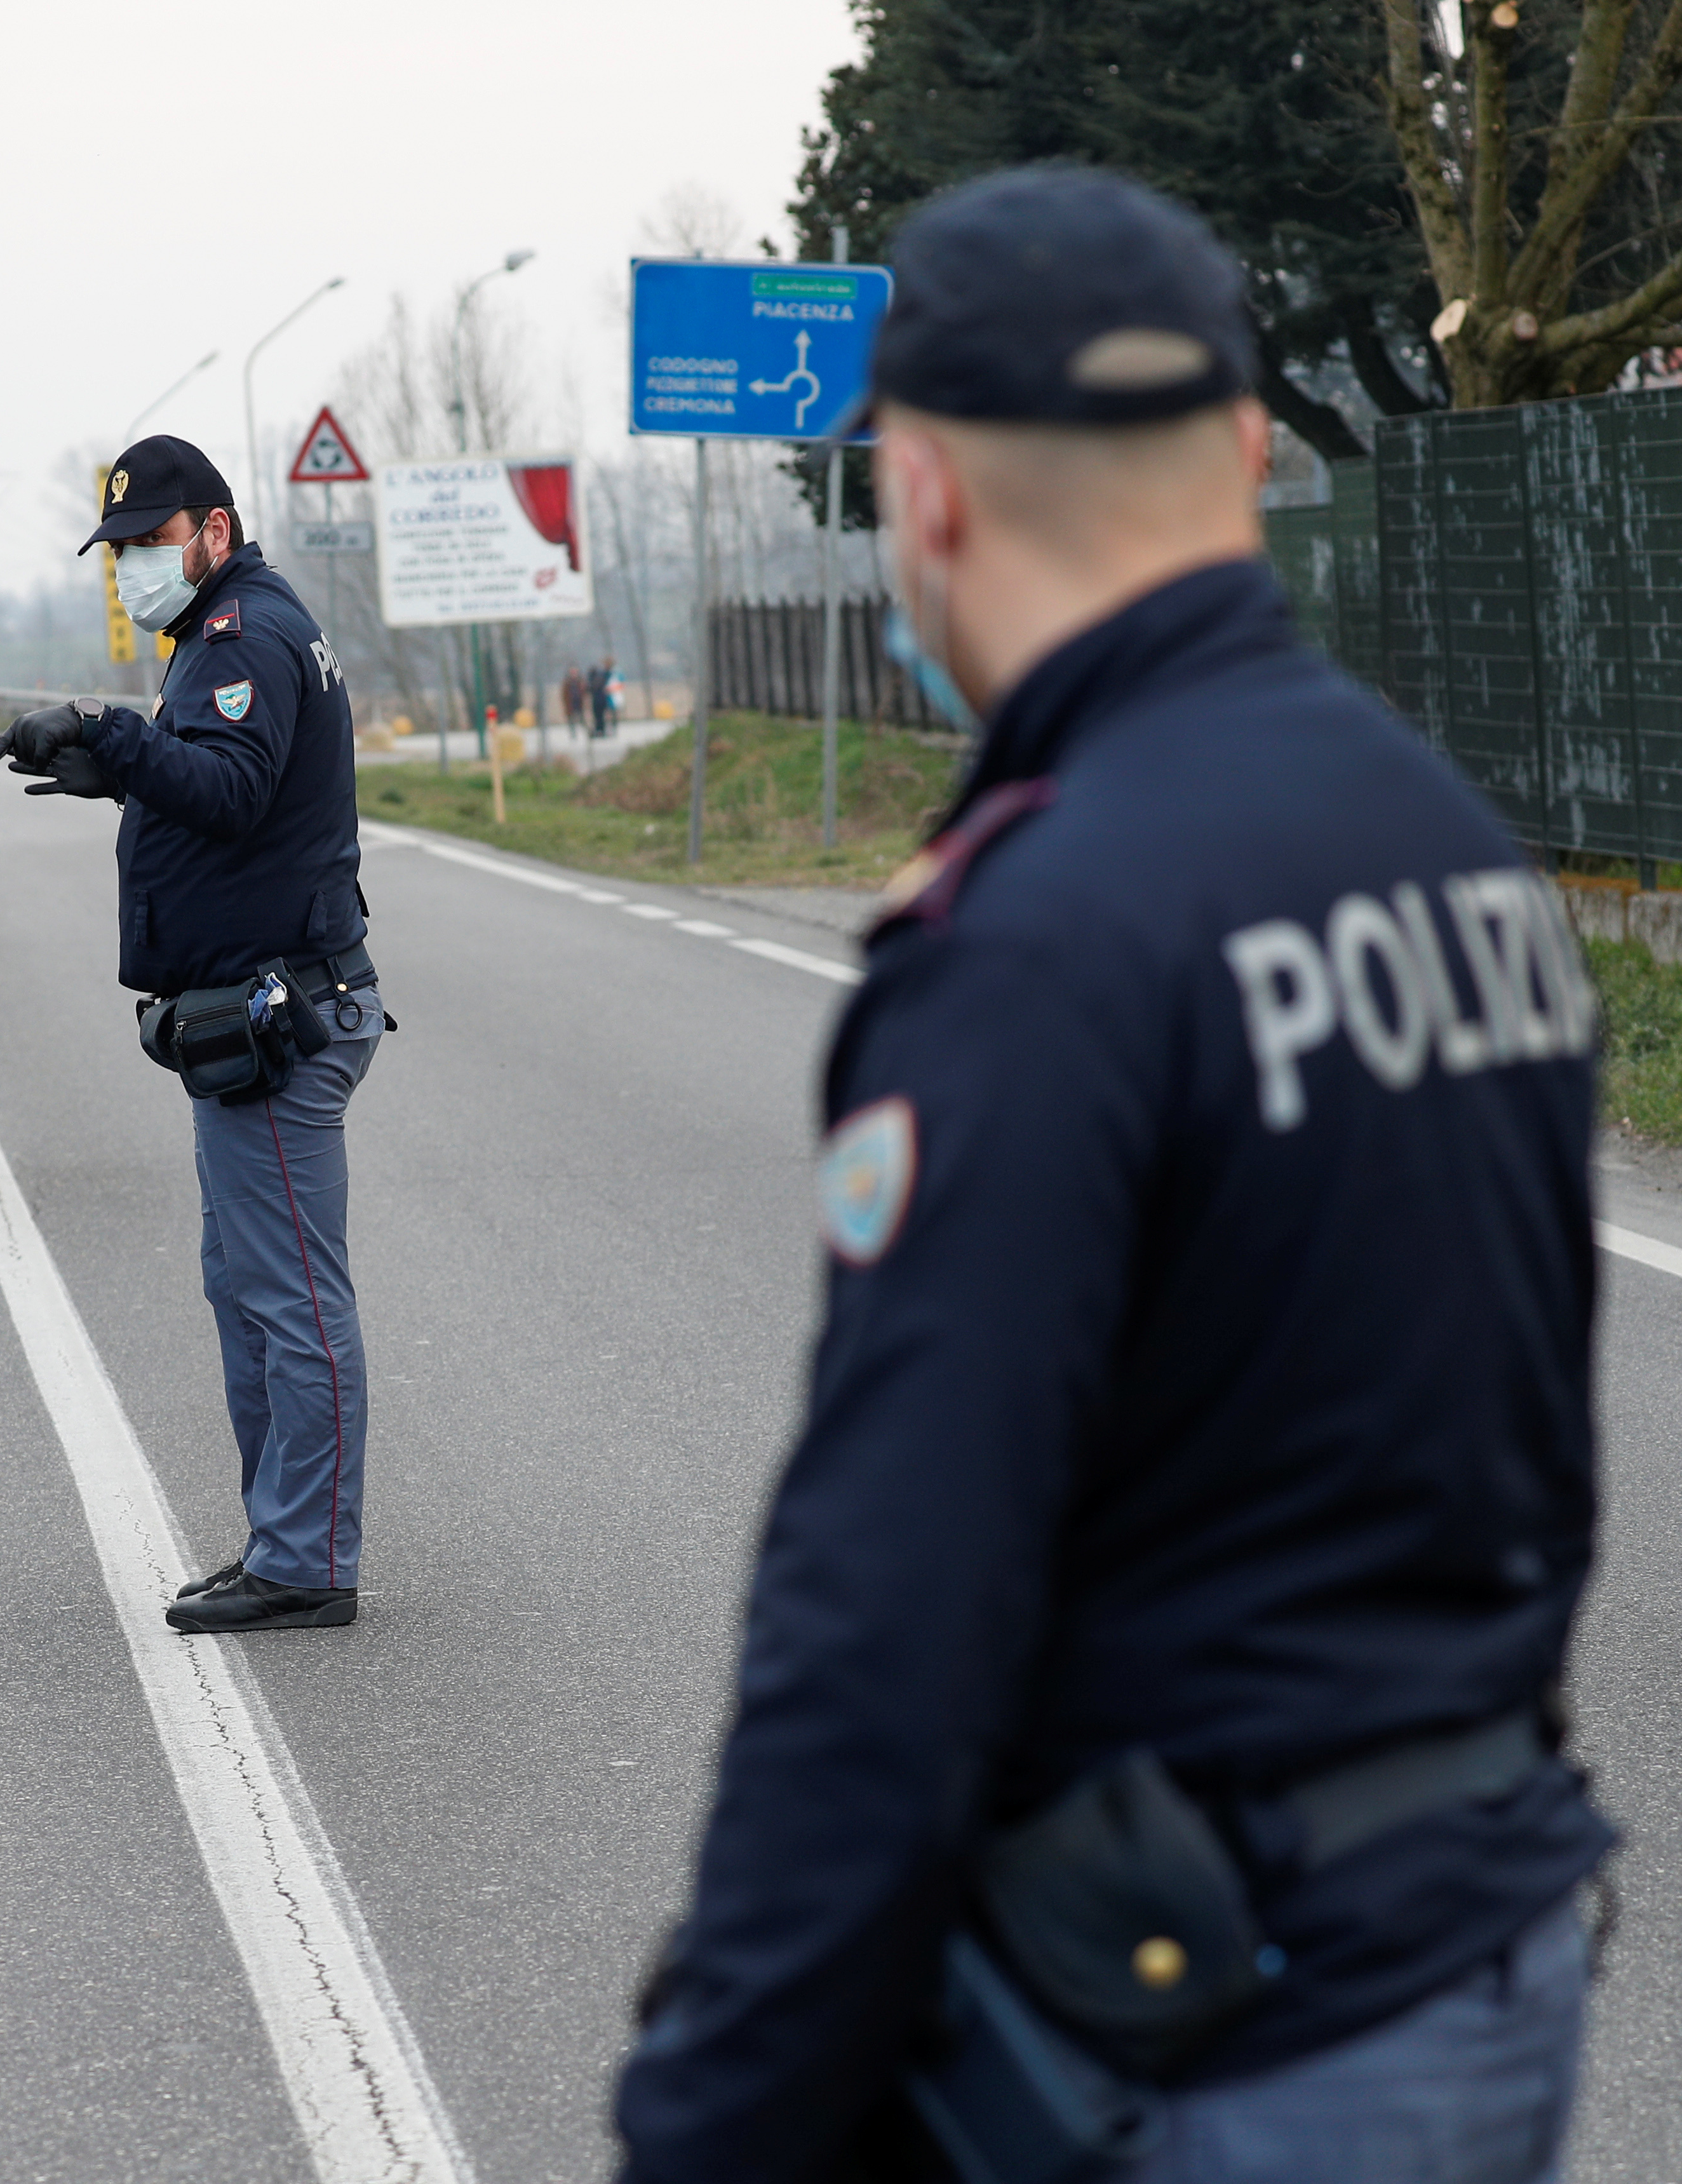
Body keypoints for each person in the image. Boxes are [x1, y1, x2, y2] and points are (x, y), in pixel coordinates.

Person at [614, 168, 1610, 2182]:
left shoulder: (1037, 936)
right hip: (1482, 1948)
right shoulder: (1445, 845)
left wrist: (708, 2117)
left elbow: (885, 1622)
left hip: (1227, 2033)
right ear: (1246, 451)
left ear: (931, 495)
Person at [0, 434, 382, 1635]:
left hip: (281, 1016)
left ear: (215, 528)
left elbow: (229, 789)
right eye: (118, 550)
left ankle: (307, 1558)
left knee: (294, 1299)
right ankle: (281, 1538)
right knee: (251, 1287)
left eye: (150, 542)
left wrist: (112, 738)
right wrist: (117, 768)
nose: (132, 567)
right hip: (248, 1017)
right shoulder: (219, 634)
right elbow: (216, 789)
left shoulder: (241, 635)